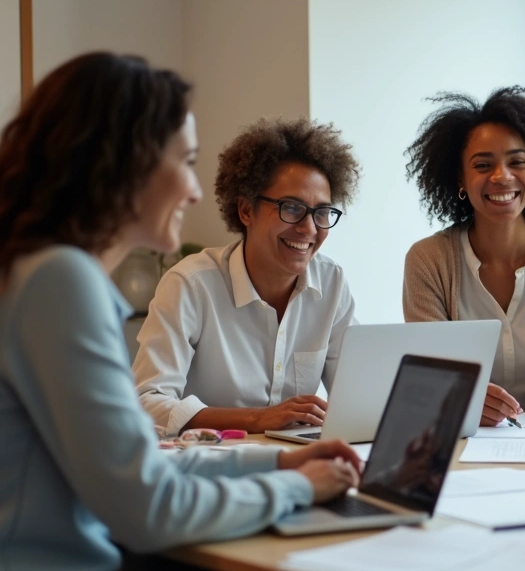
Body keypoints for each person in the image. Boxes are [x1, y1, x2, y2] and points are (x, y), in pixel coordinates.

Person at [0, 52, 361, 571]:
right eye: (185, 161)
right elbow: (149, 507)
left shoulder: (36, 271)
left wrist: (280, 465)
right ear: (123, 165)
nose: (193, 190)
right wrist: (300, 488)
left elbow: (139, 465)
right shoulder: (59, 282)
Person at [133, 117, 361, 435]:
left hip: (295, 457)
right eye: (291, 208)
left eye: (321, 212)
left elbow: (361, 400)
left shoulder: (332, 283)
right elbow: (146, 402)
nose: (309, 228)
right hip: (212, 459)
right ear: (245, 210)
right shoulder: (191, 285)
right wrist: (256, 419)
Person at [402, 86, 525, 425]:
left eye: (517, 162)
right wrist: (464, 397)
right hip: (462, 441)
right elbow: (432, 376)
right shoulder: (428, 260)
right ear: (460, 178)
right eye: (483, 165)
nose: (502, 176)